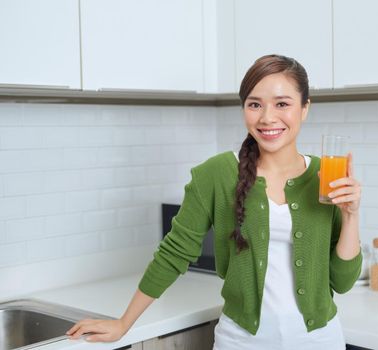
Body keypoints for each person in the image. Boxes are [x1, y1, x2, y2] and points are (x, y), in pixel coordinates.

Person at [66, 54, 362, 349]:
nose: (267, 117)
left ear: (305, 108)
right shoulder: (216, 174)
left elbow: (343, 281)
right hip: (241, 342)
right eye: (255, 104)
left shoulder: (326, 176)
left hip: (318, 341)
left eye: (282, 104)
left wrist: (351, 217)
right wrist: (123, 323)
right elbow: (174, 253)